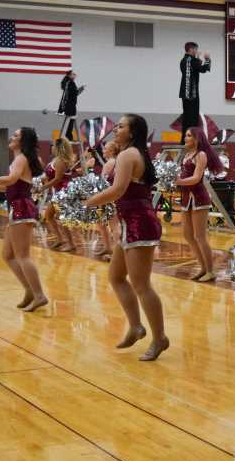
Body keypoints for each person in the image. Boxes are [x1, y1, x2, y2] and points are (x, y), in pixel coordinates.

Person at [84, 114, 168, 361]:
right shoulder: (132, 153)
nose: (115, 129)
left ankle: (160, 337)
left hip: (139, 224)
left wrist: (88, 202)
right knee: (116, 276)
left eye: (121, 126)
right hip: (129, 222)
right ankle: (135, 326)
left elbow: (118, 189)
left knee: (142, 285)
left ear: (132, 132)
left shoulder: (128, 155)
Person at [0, 128, 48, 312]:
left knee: (23, 255)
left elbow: (11, 180)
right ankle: (29, 289)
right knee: (7, 255)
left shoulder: (20, 159)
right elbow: (11, 188)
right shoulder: (19, 159)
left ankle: (39, 295)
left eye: (16, 136)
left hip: (22, 209)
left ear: (23, 141)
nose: (12, 137)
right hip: (17, 208)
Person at [176, 126, 223, 283]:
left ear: (197, 139)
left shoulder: (200, 155)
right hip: (186, 198)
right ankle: (202, 268)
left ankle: (210, 271)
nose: (185, 138)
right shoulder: (187, 154)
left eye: (188, 135)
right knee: (188, 235)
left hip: (198, 197)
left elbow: (196, 178)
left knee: (200, 236)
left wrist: (179, 181)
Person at [41, 137, 76, 252]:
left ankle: (71, 244)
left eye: (53, 146)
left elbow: (58, 179)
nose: (51, 148)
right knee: (48, 216)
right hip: (57, 192)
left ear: (58, 147)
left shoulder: (60, 161)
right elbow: (49, 175)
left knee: (61, 218)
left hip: (62, 193)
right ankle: (60, 239)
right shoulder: (56, 159)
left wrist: (43, 187)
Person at [94, 140, 121, 260]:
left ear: (111, 151)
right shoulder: (117, 161)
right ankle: (107, 247)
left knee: (114, 225)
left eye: (105, 148)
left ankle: (117, 252)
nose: (103, 150)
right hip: (111, 196)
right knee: (100, 222)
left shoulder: (110, 163)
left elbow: (102, 182)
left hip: (109, 197)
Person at [179, 42, 211, 142]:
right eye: (196, 49)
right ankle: (188, 140)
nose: (197, 51)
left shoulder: (186, 60)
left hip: (189, 94)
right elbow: (203, 69)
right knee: (191, 119)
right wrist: (207, 59)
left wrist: (198, 59)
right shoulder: (189, 60)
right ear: (191, 50)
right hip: (190, 94)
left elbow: (197, 68)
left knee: (190, 119)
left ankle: (188, 140)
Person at [57, 71, 85, 141]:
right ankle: (68, 135)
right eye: (73, 74)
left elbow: (73, 93)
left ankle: (68, 135)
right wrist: (81, 88)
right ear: (69, 75)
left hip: (68, 105)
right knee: (71, 121)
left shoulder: (67, 83)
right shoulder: (70, 83)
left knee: (70, 121)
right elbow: (74, 93)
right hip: (70, 106)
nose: (75, 75)